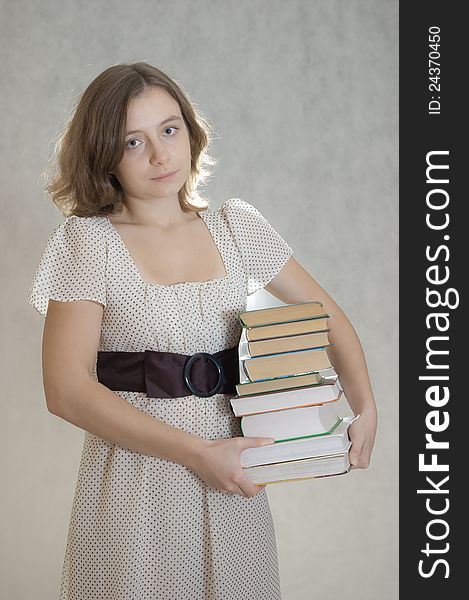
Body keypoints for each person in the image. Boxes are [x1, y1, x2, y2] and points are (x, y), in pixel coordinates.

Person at [27, 62, 377, 600]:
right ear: (103, 155)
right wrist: (195, 453)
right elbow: (66, 390)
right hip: (133, 484)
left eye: (169, 130)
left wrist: (366, 405)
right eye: (132, 142)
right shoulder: (88, 243)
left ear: (191, 129)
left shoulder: (238, 226)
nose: (161, 155)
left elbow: (326, 317)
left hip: (234, 473)